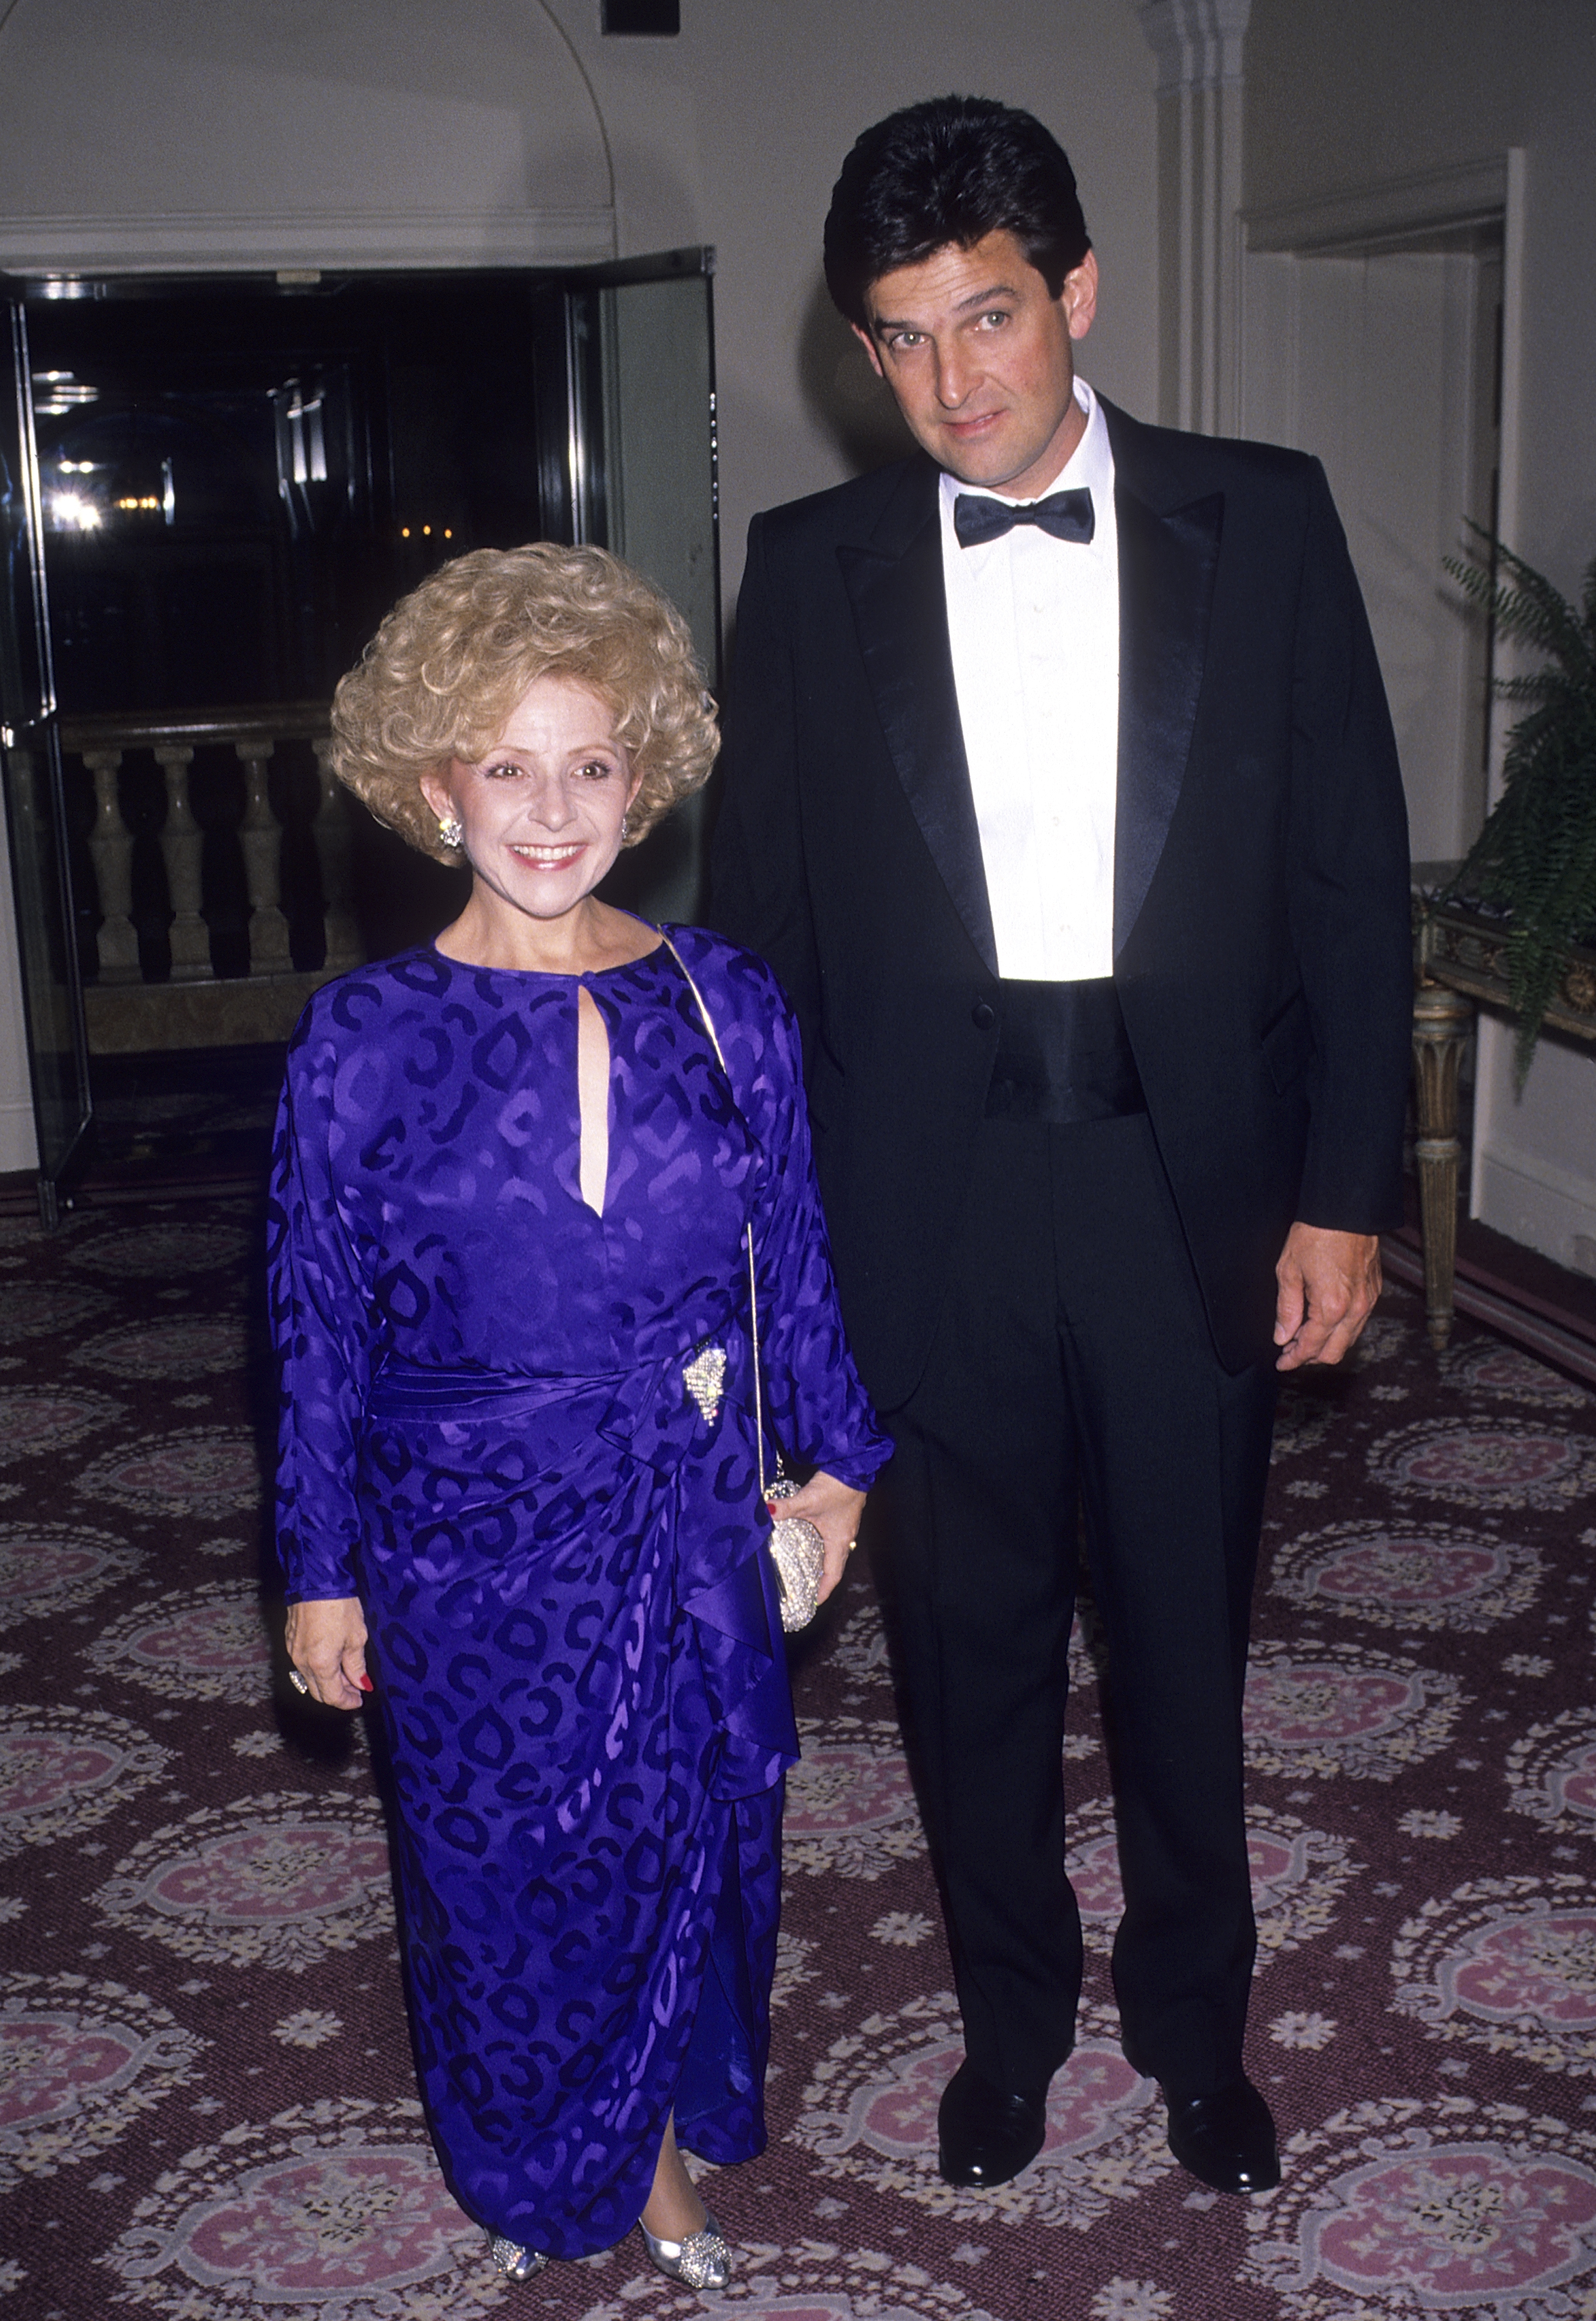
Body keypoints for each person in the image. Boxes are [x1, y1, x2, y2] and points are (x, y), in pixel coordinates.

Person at [710, 96, 1412, 2200]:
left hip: (1185, 1182)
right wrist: (773, 1259)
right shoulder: (809, 573)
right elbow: (758, 954)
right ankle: (1012, 2023)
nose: (953, 381)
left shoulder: (1262, 518)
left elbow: (1352, 883)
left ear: (1077, 292)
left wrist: (1343, 1190)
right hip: (923, 1207)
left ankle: (1199, 2028)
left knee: (1190, 1647)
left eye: (990, 317)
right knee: (967, 1656)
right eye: (903, 339)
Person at [268, 542, 888, 2286]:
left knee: (694, 1827)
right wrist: (319, 1572)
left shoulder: (726, 999)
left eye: (593, 762)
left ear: (650, 771)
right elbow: (314, 1329)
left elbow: (795, 1259)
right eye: (508, 765)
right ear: (432, 785)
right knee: (509, 1874)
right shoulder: (362, 1040)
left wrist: (839, 1469)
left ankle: (663, 2137)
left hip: (685, 1499)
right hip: (463, 1530)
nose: (554, 809)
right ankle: (559, 2148)